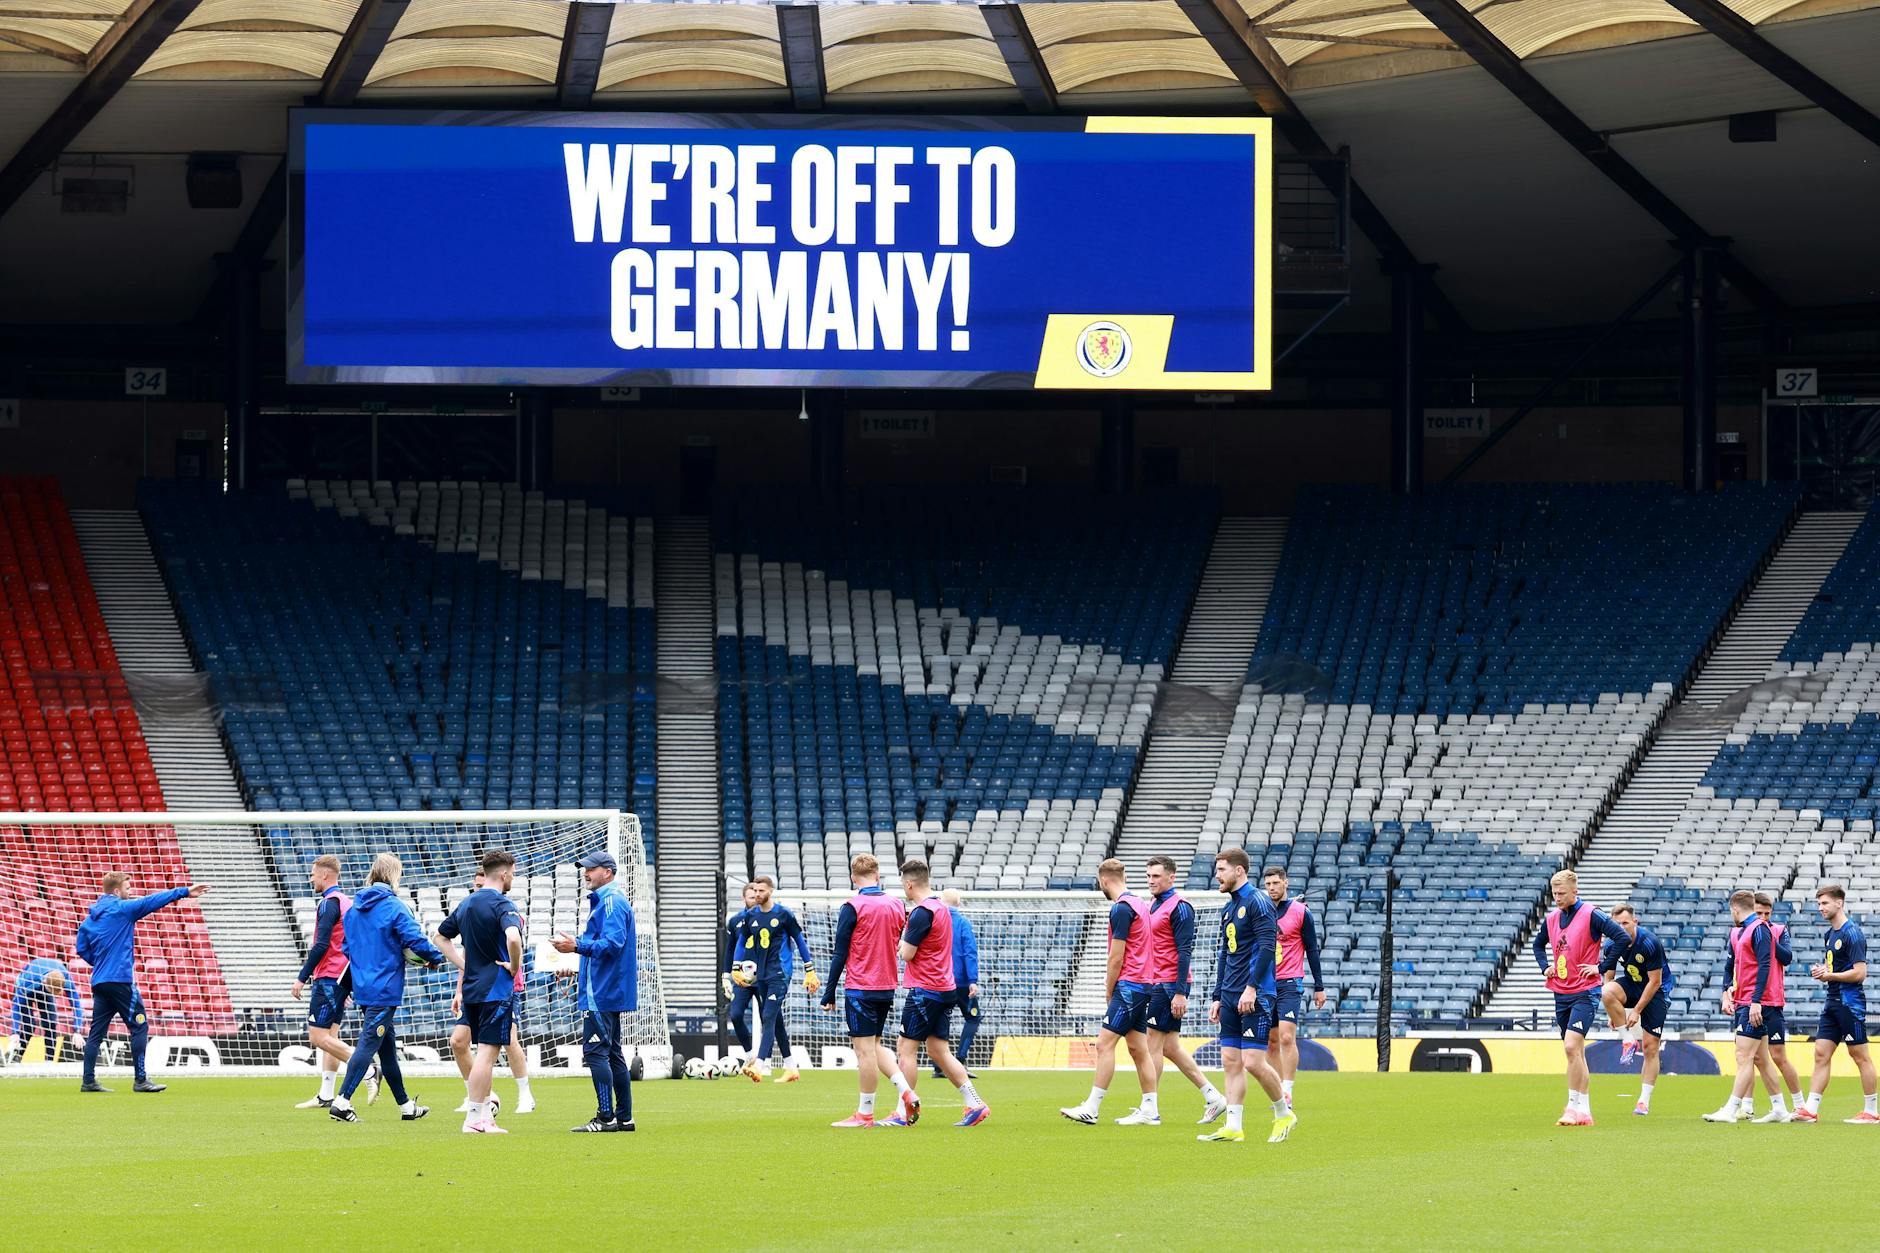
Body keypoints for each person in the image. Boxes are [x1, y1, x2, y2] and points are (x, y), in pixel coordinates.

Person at [328, 852, 444, 1124]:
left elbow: (347, 948)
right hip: (385, 988)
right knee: (367, 1046)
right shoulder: (395, 906)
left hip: (364, 988)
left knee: (387, 1049)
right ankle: (341, 1102)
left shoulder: (354, 909)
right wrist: (435, 958)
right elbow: (414, 939)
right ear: (394, 876)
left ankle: (406, 1106)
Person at [76, 872, 210, 1093]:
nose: (131, 892)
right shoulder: (122, 908)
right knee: (139, 1026)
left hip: (100, 982)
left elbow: (82, 948)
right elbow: (151, 901)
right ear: (117, 891)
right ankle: (141, 1080)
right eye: (128, 888)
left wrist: (100, 962)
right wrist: (185, 891)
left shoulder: (89, 920)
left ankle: (88, 1081)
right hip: (120, 980)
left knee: (96, 1033)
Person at [884, 858, 988, 1128]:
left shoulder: (921, 912)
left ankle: (903, 1111)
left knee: (905, 1049)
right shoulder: (942, 908)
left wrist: (898, 946)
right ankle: (975, 1103)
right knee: (938, 1050)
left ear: (908, 884)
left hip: (924, 990)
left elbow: (907, 954)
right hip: (945, 987)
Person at [819, 852, 919, 1128]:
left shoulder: (852, 906)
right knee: (874, 1045)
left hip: (861, 987)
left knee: (863, 1052)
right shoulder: (896, 905)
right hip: (887, 986)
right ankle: (906, 1091)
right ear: (877, 875)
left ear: (853, 878)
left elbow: (839, 953)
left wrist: (829, 993)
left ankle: (865, 1113)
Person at [1202, 848, 1294, 1145]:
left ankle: (1283, 1113)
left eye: (1222, 870)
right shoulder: (1229, 908)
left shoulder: (1258, 902)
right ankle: (1233, 1126)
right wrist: (1218, 995)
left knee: (1253, 1062)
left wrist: (1252, 987)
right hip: (1230, 994)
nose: (1218, 875)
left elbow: (1268, 948)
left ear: (1239, 871)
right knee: (1230, 1060)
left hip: (1255, 993)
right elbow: (1225, 954)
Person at [1060, 857, 1157, 1126]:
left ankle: (1092, 1107)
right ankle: (1150, 1108)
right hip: (1145, 983)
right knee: (1138, 1048)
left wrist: (1109, 989)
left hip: (1130, 984)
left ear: (1104, 880)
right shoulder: (1140, 903)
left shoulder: (1121, 908)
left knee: (1104, 1044)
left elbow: (1116, 957)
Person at [433, 849, 524, 1135]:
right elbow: (513, 937)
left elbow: (439, 937)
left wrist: (463, 963)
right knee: (487, 1054)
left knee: (481, 1052)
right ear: (505, 873)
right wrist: (514, 965)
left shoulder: (467, 903)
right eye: (513, 873)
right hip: (495, 989)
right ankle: (474, 1118)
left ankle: (484, 1117)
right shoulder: (502, 905)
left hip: (472, 987)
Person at [1533, 868, 1629, 1126]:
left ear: (1575, 891)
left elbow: (1621, 937)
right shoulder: (1552, 918)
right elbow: (1537, 944)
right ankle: (1584, 1111)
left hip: (1585, 992)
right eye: (1554, 894)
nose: (1557, 898)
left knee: (1571, 1046)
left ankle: (1572, 1107)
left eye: (1562, 893)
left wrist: (1601, 966)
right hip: (1560, 991)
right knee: (1575, 1053)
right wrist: (1545, 967)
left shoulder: (1592, 914)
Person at [552, 849, 639, 1132]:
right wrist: (574, 962)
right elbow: (605, 947)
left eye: (590, 868)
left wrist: (575, 946)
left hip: (601, 992)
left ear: (608, 872)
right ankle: (624, 1118)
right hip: (606, 988)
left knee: (596, 1054)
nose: (585, 873)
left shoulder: (611, 902)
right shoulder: (609, 901)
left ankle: (606, 1118)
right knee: (613, 1055)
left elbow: (613, 945)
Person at [1140, 855, 1226, 1125]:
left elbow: (1184, 951)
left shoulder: (1181, 908)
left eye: (1156, 876)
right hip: (1157, 980)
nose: (1151, 881)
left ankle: (1149, 1108)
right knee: (1170, 1047)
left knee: (1151, 1042)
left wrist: (1179, 992)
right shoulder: (1155, 904)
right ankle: (1213, 1097)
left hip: (1169, 983)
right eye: (1148, 876)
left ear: (1171, 877)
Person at [289, 854, 377, 1110]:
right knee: (331, 1034)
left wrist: (301, 977)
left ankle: (367, 1068)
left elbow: (321, 944)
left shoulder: (328, 903)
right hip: (342, 974)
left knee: (317, 1036)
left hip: (328, 974)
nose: (311, 878)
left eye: (314, 873)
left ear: (325, 875)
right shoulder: (347, 902)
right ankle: (326, 1094)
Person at [448, 868, 533, 1115]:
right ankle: (479, 1096)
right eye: (475, 885)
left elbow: (511, 941)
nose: (478, 888)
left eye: (481, 884)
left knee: (507, 1042)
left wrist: (514, 969)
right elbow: (469, 954)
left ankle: (524, 1094)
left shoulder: (504, 908)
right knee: (458, 1041)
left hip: (503, 985)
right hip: (476, 986)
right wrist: (459, 990)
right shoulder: (472, 910)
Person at [1704, 889, 1787, 1124]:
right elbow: (1731, 966)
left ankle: (1731, 1109)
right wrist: (1727, 992)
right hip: (1746, 999)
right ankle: (1779, 1108)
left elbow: (1765, 966)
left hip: (1755, 1002)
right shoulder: (1744, 931)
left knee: (1743, 1054)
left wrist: (1756, 1001)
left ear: (1735, 908)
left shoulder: (1759, 930)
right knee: (1760, 1058)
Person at [1797, 883, 1876, 1124]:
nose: (1820, 908)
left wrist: (1830, 975)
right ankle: (1810, 1109)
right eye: (1818, 903)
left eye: (1824, 903)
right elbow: (1835, 967)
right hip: (1831, 1002)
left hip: (1850, 1004)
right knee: (1821, 1054)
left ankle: (1871, 1110)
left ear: (1839, 903)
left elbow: (1860, 973)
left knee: (1859, 1055)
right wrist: (1823, 971)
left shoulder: (1853, 933)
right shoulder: (1830, 935)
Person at [733, 875, 818, 1082]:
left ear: (771, 890)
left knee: (768, 1016)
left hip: (780, 973)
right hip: (761, 975)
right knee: (776, 1019)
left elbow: (799, 940)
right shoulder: (751, 915)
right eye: (755, 890)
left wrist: (810, 970)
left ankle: (759, 1065)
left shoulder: (783, 914)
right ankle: (791, 1067)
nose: (757, 894)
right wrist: (735, 967)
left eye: (761, 891)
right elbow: (741, 941)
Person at [1596, 904, 1672, 1116]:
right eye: (1616, 924)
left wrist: (1636, 1011)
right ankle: (1627, 1039)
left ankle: (1643, 1101)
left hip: (1656, 991)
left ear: (1635, 922)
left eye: (1625, 923)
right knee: (1606, 991)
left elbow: (1655, 982)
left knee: (1650, 1047)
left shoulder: (1649, 943)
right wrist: (1613, 1010)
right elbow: (1608, 977)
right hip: (1632, 984)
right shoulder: (1611, 945)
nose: (1621, 927)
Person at [1262, 866, 1326, 1109]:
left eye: (1276, 883)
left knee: (1287, 1036)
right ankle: (1278, 1091)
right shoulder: (1261, 911)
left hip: (1290, 981)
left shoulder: (1301, 912)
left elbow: (1312, 949)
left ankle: (1288, 1091)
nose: (1272, 888)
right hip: (1265, 983)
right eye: (1268, 884)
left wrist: (1319, 986)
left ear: (1286, 883)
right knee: (1271, 1041)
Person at [1749, 891, 1803, 1121]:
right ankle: (1750, 1106)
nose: (1762, 917)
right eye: (1758, 913)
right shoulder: (1745, 932)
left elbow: (1787, 957)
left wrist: (1770, 935)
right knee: (1752, 1056)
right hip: (1751, 1002)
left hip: (1773, 1001)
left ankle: (1800, 1105)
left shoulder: (1778, 930)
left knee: (1778, 1055)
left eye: (1766, 913)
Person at [8, 955, 84, 1065]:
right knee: (29, 1025)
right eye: (52, 992)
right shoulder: (29, 981)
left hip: (44, 988)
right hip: (28, 988)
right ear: (45, 983)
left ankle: (49, 1061)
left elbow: (76, 1004)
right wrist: (14, 1032)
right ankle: (15, 1056)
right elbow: (16, 1005)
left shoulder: (66, 979)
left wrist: (77, 1031)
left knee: (50, 1023)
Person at [936, 888, 980, 1080]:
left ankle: (939, 1065)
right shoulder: (962, 923)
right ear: (959, 904)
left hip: (938, 980)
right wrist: (972, 980)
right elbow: (970, 952)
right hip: (960, 981)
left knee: (939, 1018)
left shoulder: (935, 922)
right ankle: (959, 1061)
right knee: (973, 1018)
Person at [721, 882, 759, 1056]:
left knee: (769, 1017)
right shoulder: (735, 921)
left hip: (763, 976)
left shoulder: (766, 919)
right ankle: (750, 1055)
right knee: (735, 1015)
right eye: (751, 897)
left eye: (757, 896)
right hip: (741, 977)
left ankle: (764, 1058)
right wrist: (725, 975)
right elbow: (729, 950)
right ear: (743, 898)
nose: (755, 900)